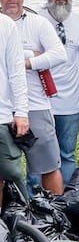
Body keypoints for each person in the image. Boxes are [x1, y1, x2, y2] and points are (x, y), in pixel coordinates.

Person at [0, 0, 68, 195]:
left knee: (48, 167)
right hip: (3, 110)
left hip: (36, 106)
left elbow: (59, 54)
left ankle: (55, 217)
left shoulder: (37, 24)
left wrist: (27, 61)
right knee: (2, 173)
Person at [38, 0, 79, 188]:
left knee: (67, 154)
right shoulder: (35, 19)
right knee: (39, 157)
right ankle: (36, 203)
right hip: (41, 102)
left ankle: (66, 204)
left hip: (71, 102)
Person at [0, 13, 31, 205]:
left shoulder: (5, 24)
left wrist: (21, 112)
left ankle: (24, 222)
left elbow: (16, 71)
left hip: (2, 115)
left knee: (12, 173)